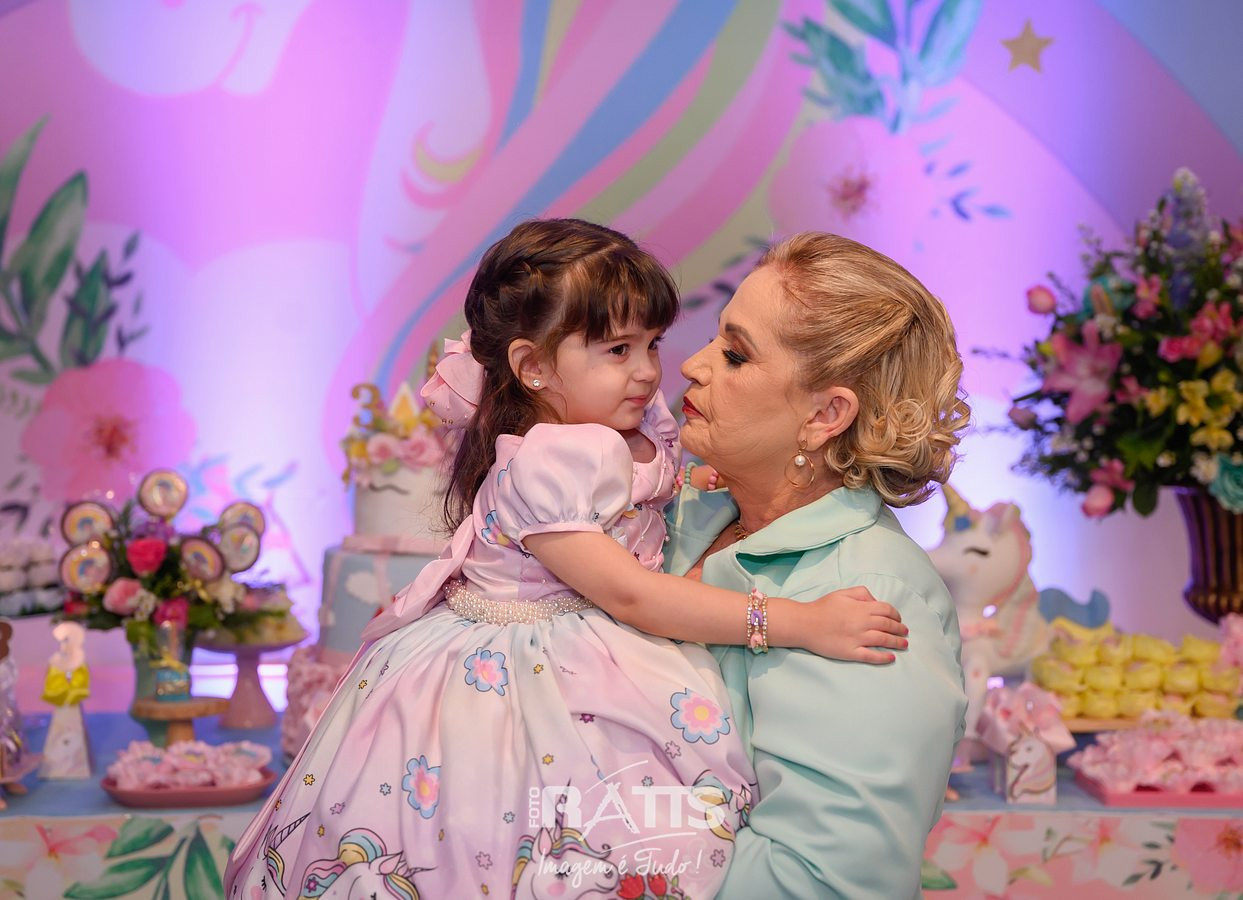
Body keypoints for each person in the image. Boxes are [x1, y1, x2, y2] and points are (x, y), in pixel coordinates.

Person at [225, 219, 906, 898]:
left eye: (651, 343)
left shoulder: (627, 425)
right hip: (517, 669)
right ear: (533, 367)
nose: (648, 370)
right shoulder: (545, 463)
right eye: (617, 349)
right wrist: (796, 622)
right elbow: (633, 595)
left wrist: (695, 482)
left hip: (589, 641)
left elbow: (641, 493)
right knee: (507, 837)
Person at [666, 232, 970, 898]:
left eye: (735, 355)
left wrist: (598, 862)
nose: (691, 364)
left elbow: (825, 881)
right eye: (713, 340)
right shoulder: (685, 510)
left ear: (825, 414)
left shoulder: (872, 596)